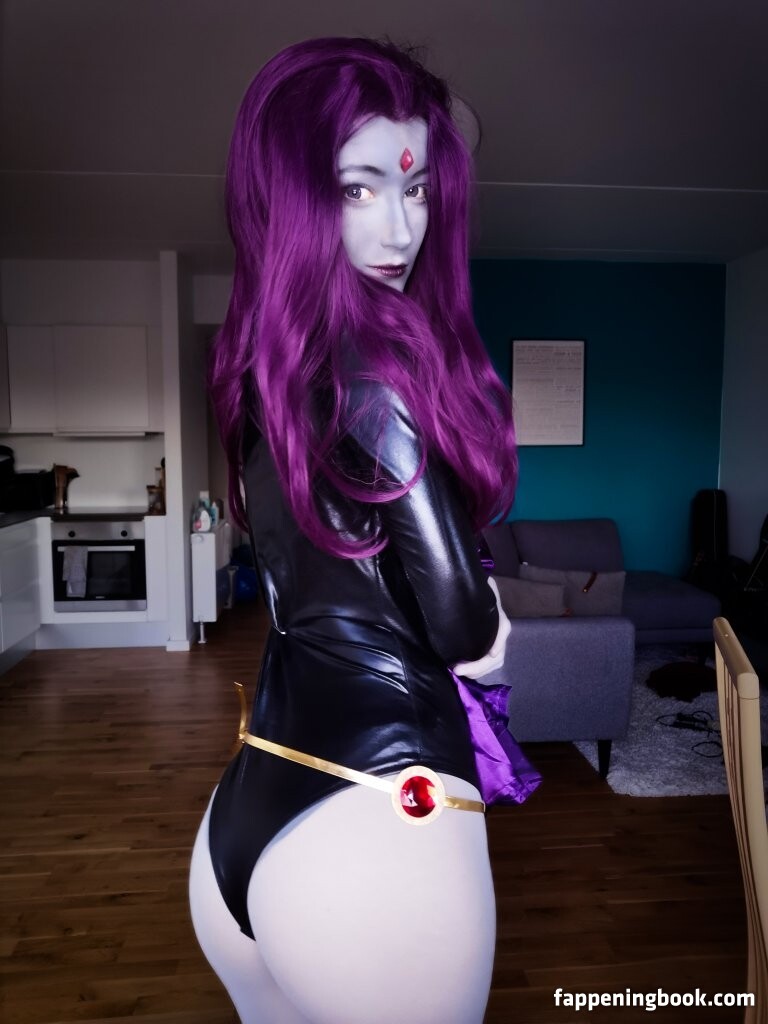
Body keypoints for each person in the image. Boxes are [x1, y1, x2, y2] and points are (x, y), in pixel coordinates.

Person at [189, 37, 538, 1024]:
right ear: (295, 196)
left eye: (415, 189)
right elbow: (465, 628)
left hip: (244, 820)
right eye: (357, 188)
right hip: (379, 824)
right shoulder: (379, 368)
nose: (400, 227)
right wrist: (491, 615)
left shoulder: (261, 372)